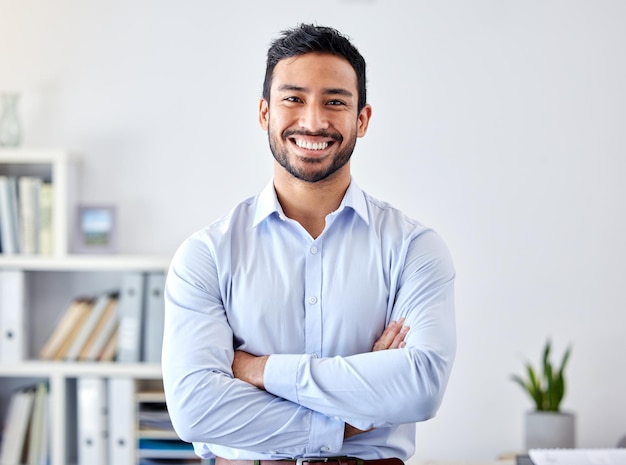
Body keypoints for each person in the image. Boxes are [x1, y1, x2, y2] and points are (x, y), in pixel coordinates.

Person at [162, 23, 456, 465]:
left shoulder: (414, 248)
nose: (314, 121)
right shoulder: (206, 255)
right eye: (293, 98)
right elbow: (196, 410)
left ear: (362, 119)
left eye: (334, 101)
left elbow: (420, 386)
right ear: (265, 113)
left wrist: (258, 370)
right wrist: (356, 415)